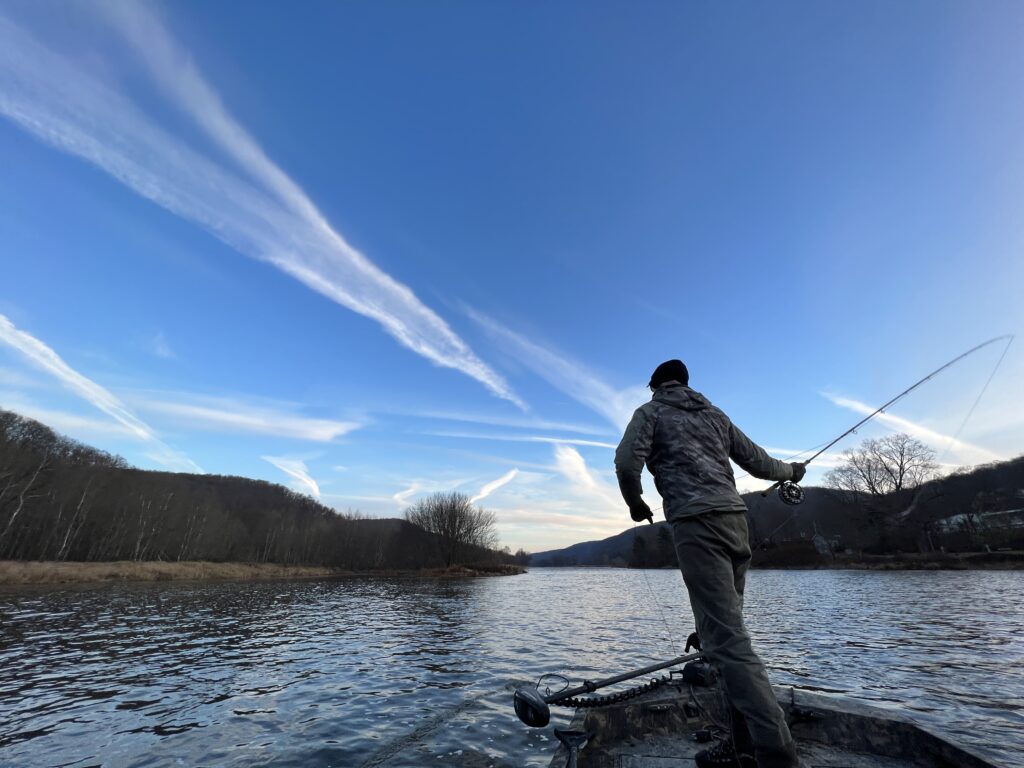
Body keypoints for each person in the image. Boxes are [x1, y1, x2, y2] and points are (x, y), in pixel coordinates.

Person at [614, 359, 806, 768]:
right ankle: (743, 748)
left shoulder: (650, 412)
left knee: (727, 642)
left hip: (696, 526)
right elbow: (760, 463)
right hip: (737, 527)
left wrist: (636, 504)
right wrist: (793, 471)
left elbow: (627, 463)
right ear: (686, 383)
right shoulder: (716, 415)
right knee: (723, 636)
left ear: (655, 386)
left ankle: (777, 755)